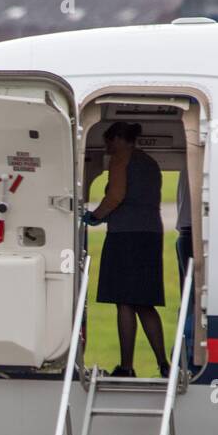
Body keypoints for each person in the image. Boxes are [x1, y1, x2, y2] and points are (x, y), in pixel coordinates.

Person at [82, 122, 169, 378]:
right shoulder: (150, 163)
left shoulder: (121, 160)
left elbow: (116, 195)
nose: (108, 149)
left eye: (110, 142)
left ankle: (126, 366)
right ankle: (163, 363)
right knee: (145, 303)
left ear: (120, 139)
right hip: (151, 235)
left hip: (125, 236)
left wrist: (95, 216)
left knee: (124, 302)